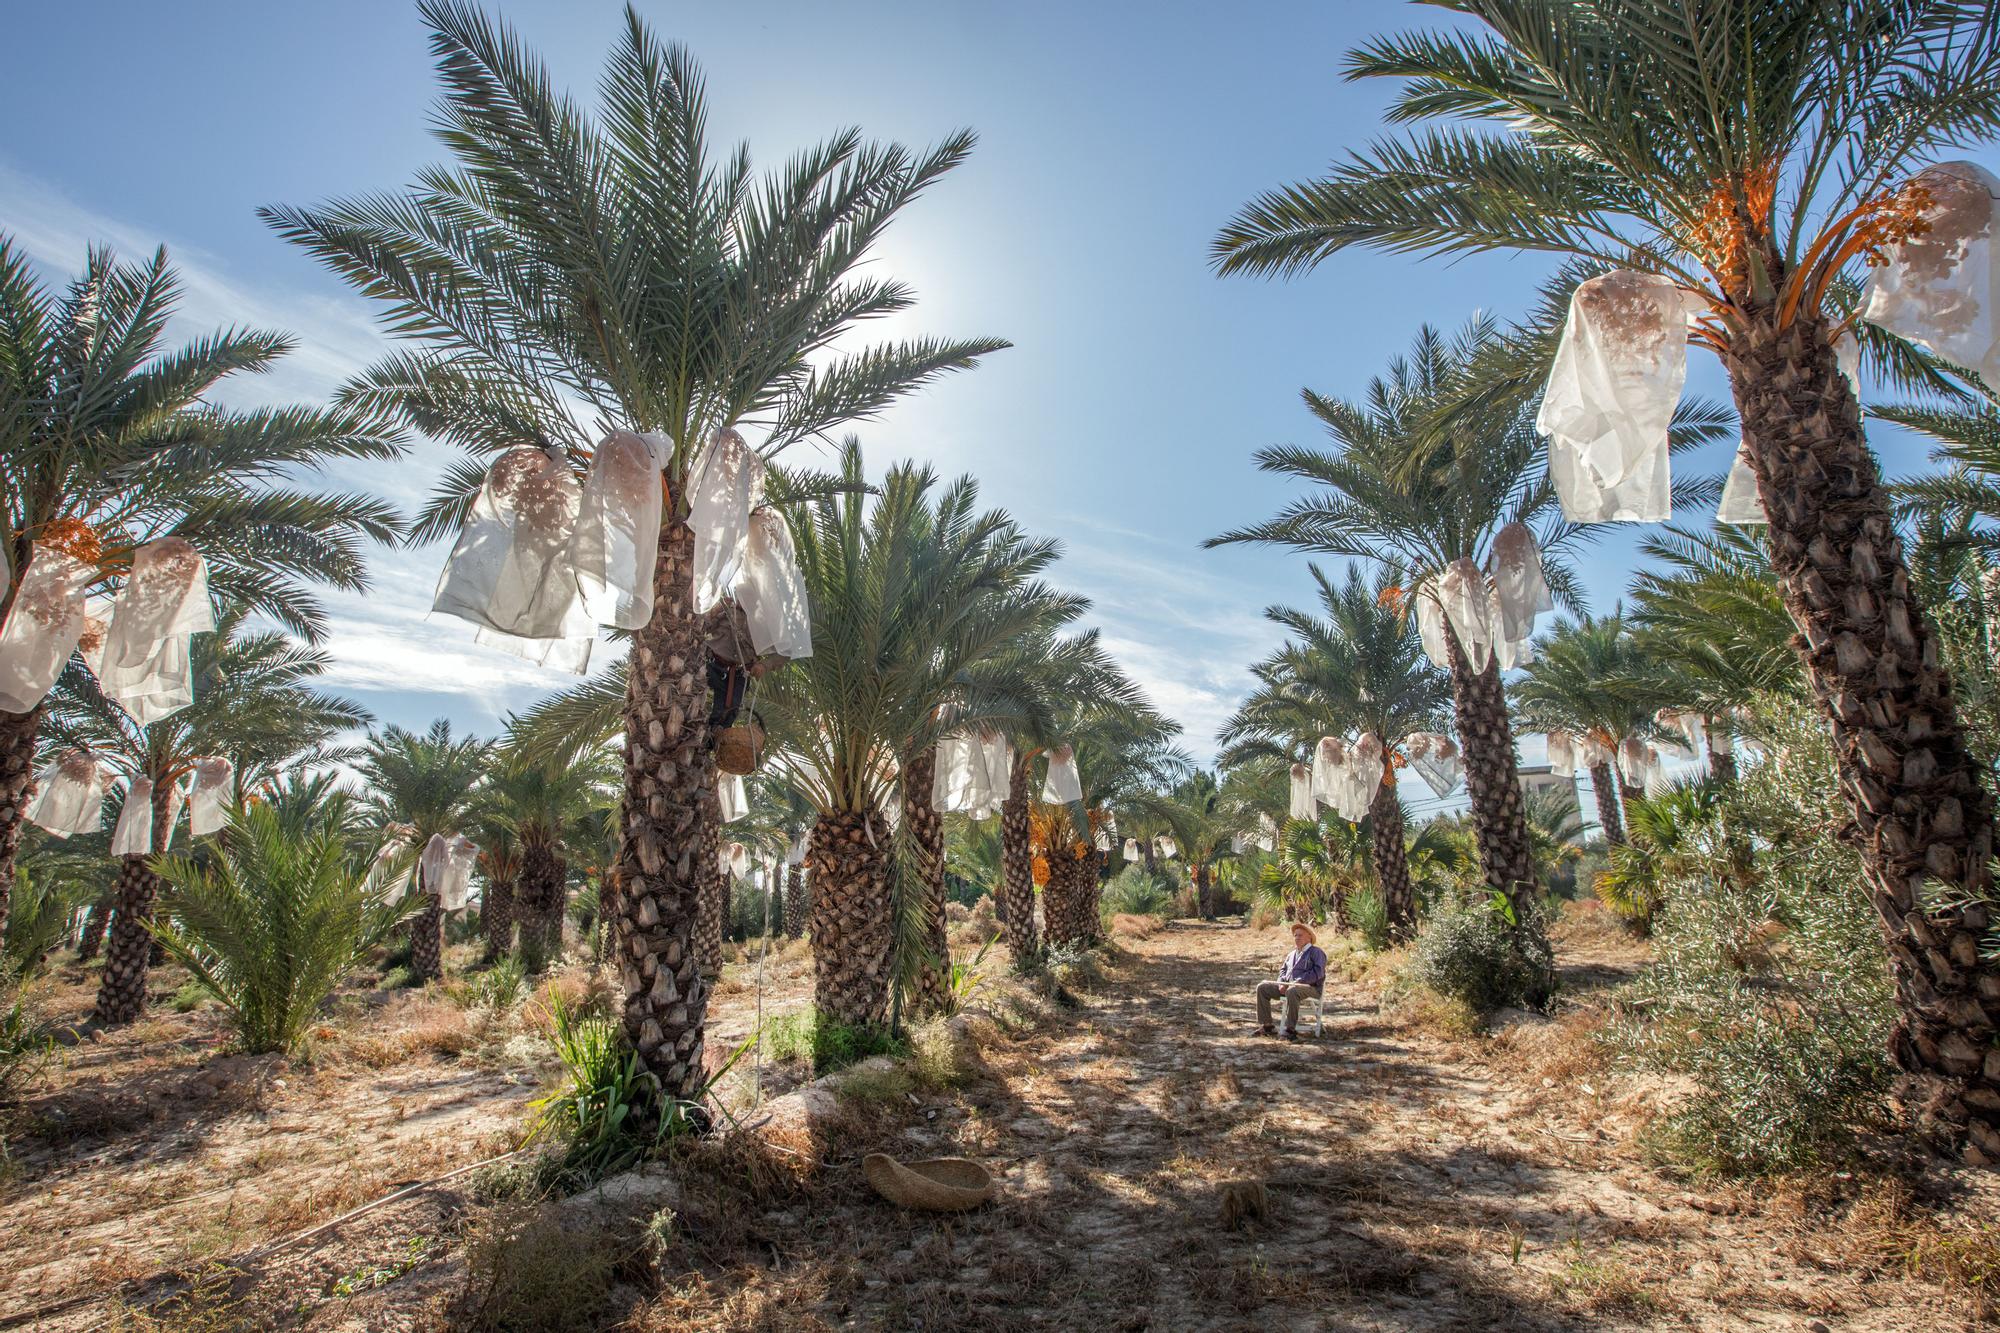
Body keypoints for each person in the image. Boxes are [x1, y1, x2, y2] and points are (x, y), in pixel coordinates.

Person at [1255, 922, 1325, 1040]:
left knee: (1292, 991)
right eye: (1295, 935)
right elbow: (1283, 971)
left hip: (1310, 988)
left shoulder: (1316, 952)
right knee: (1262, 988)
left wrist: (1298, 981)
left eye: (1300, 935)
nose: (1297, 938)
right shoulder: (1291, 954)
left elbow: (1318, 972)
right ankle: (1268, 1026)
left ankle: (1290, 1029)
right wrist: (1282, 983)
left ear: (1309, 937)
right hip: (1288, 987)